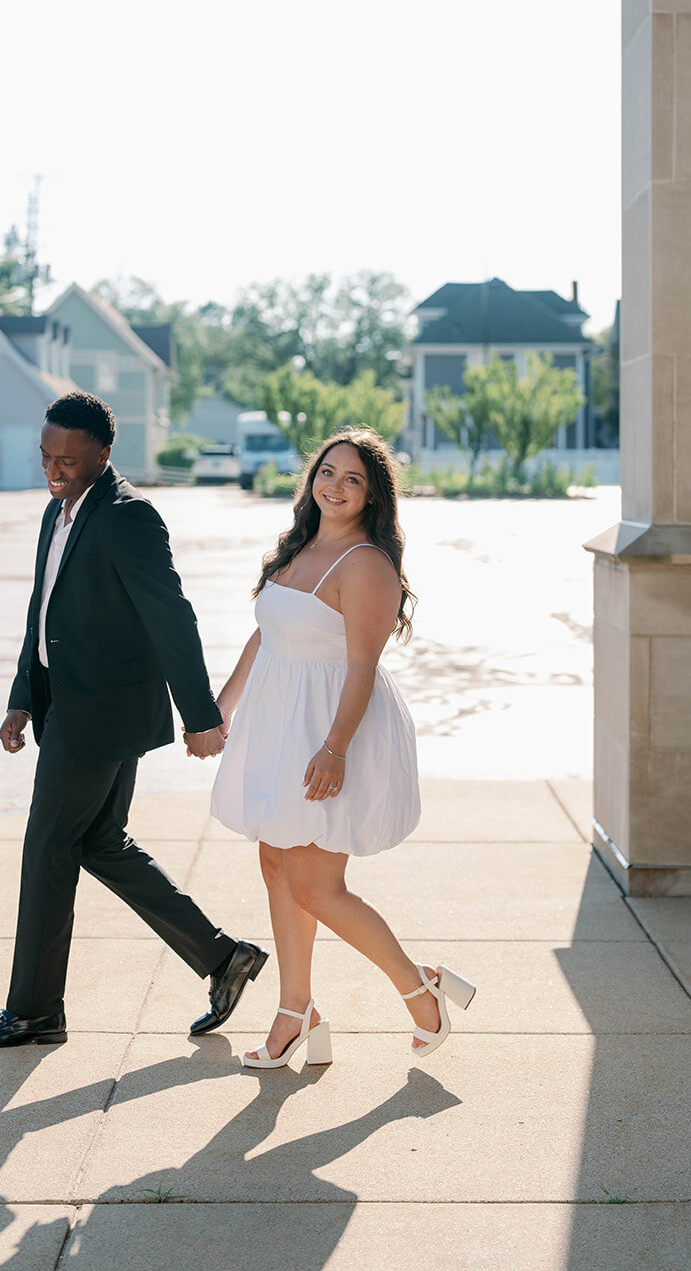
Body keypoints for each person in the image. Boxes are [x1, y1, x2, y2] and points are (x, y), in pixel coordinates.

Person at [0, 390, 266, 1048]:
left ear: (103, 452)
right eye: (46, 457)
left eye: (68, 458)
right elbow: (43, 615)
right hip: (65, 702)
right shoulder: (56, 514)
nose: (54, 469)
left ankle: (33, 1011)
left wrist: (201, 714)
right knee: (98, 843)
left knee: (46, 848)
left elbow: (170, 615)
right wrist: (21, 698)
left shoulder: (128, 517)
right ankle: (221, 958)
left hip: (99, 711)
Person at [210, 427, 475, 1068]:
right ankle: (295, 1013)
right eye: (328, 472)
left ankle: (421, 990)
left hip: (331, 731)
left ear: (372, 496)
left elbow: (361, 667)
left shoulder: (366, 565)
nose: (335, 486)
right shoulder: (297, 549)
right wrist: (220, 710)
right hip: (280, 725)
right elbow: (265, 637)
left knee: (317, 884)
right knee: (277, 865)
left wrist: (334, 749)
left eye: (352, 479)